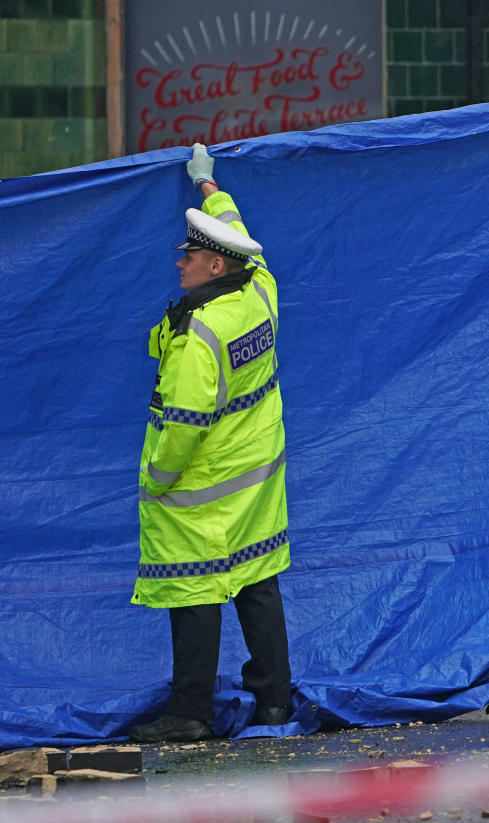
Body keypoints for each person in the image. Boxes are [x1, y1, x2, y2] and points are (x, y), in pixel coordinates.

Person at [129, 143, 293, 742]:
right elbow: (236, 230)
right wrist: (208, 187)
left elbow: (183, 424)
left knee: (192, 591)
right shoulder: (260, 291)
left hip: (200, 487)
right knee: (256, 580)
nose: (181, 263)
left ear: (215, 268)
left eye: (190, 256)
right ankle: (274, 701)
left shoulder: (200, 336)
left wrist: (157, 479)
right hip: (256, 472)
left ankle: (189, 713)